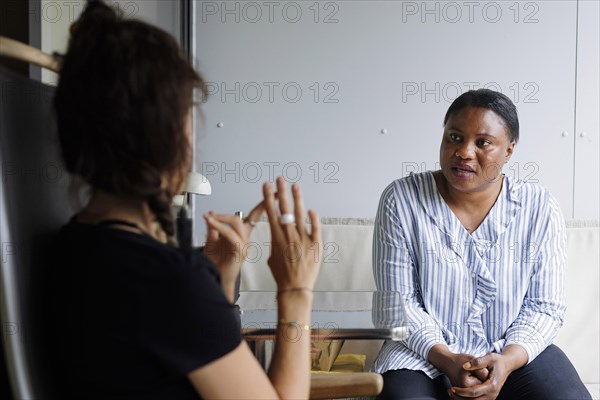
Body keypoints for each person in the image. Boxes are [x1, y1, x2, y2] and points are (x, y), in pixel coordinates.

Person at [46, 1, 322, 399]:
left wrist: (221, 280)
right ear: (165, 136)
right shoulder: (166, 280)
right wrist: (296, 293)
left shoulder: (71, 247)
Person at [372, 89, 591, 400]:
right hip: (421, 354)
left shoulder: (539, 207)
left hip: (511, 352)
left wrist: (506, 361)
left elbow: (545, 307)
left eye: (483, 142)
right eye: (455, 138)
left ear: (509, 151)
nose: (464, 152)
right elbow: (397, 305)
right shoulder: (402, 200)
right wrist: (448, 360)